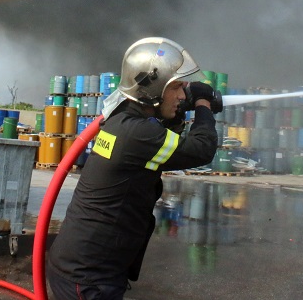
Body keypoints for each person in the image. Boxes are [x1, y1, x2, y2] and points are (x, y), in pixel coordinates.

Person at [47, 37, 221, 300]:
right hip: (90, 278)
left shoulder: (121, 119)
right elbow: (202, 149)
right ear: (154, 89)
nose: (182, 95)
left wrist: (176, 111)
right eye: (177, 87)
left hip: (82, 265)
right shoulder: (138, 134)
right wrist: (203, 104)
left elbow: (164, 139)